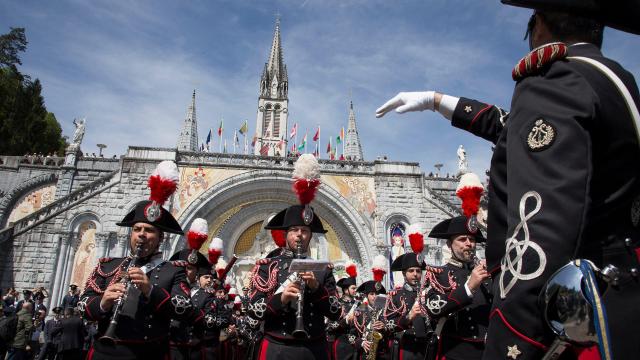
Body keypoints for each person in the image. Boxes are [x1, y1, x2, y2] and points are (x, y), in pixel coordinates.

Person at [375, 1, 640, 359]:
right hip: (622, 296)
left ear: (540, 26)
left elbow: (542, 227)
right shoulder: (615, 80)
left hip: (575, 318)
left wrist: (512, 340)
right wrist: (438, 101)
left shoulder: (553, 82)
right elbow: (515, 128)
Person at [78, 200, 190, 359]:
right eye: (137, 229)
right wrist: (103, 303)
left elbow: (184, 309)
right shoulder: (108, 266)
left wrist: (151, 290)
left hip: (148, 354)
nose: (142, 234)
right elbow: (83, 306)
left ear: (161, 238)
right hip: (104, 353)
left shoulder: (173, 270)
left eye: (149, 230)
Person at [247, 205, 342, 359]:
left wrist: (316, 288)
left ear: (310, 236)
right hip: (277, 348)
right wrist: (281, 299)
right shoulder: (268, 266)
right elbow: (253, 310)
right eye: (294, 230)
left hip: (314, 349)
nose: (299, 235)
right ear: (286, 234)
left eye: (304, 231)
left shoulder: (322, 269)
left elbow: (336, 312)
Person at [423, 216, 492, 360]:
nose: (468, 243)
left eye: (472, 240)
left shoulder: (487, 273)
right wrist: (469, 287)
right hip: (456, 352)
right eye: (462, 239)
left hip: (489, 351)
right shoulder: (438, 274)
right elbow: (433, 309)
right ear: (449, 244)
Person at [383, 253, 429, 360]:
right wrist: (408, 317)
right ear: (404, 273)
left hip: (427, 346)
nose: (415, 274)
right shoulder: (396, 295)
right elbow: (389, 325)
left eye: (418, 271)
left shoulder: (428, 294)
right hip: (407, 347)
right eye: (411, 271)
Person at [328, 266, 358, 360]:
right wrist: (345, 321)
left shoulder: (359, 304)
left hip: (357, 343)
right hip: (341, 343)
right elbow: (330, 326)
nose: (355, 291)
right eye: (353, 288)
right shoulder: (337, 304)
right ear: (346, 290)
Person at [352, 280, 387, 360]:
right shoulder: (359, 311)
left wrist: (385, 327)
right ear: (366, 295)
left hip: (384, 353)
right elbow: (351, 335)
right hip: (366, 354)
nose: (375, 297)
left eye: (377, 294)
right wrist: (361, 343)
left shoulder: (386, 310)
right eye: (372, 294)